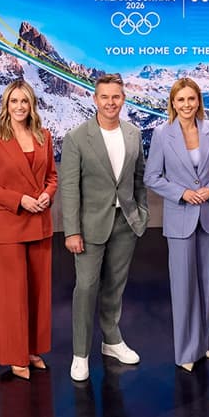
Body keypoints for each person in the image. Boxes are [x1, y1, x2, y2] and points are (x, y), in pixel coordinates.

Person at [60, 74, 150, 382]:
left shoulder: (133, 133)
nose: (111, 102)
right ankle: (80, 354)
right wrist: (72, 231)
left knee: (115, 287)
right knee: (86, 288)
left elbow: (138, 179)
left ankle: (111, 340)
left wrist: (141, 213)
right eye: (105, 97)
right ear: (95, 99)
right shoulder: (76, 137)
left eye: (116, 97)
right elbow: (69, 188)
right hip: (89, 227)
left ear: (123, 99)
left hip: (125, 222)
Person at [144, 77, 209, 371]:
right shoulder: (161, 134)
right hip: (180, 218)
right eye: (180, 100)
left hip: (207, 216)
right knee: (183, 287)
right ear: (172, 103)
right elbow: (152, 177)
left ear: (199, 101)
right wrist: (182, 193)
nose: (186, 104)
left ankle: (201, 345)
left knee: (205, 284)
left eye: (191, 99)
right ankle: (185, 353)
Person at [0, 78, 57, 381]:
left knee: (38, 294)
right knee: (13, 296)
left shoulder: (44, 136)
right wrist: (20, 200)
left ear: (32, 105)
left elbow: (52, 177)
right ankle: (15, 356)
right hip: (10, 225)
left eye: (25, 101)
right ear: (6, 106)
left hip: (40, 223)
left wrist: (47, 194)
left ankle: (33, 350)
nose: (20, 106)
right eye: (14, 101)